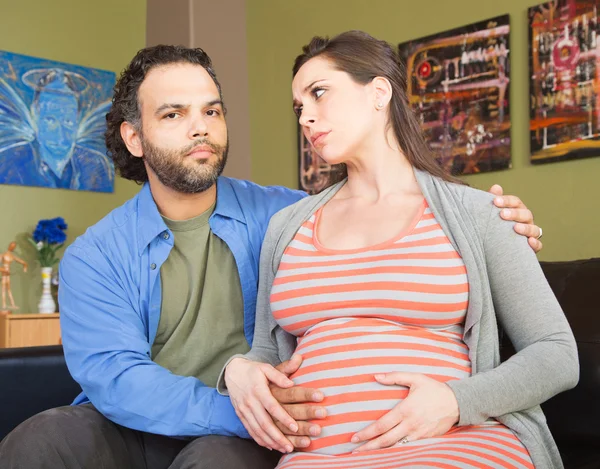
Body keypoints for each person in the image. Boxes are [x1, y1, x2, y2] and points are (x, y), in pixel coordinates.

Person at [0, 44, 543, 469]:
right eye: (173, 114)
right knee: (39, 439)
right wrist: (243, 409)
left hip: (238, 440)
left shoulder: (288, 217)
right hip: (145, 425)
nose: (200, 126)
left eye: (211, 109)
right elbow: (116, 378)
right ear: (134, 138)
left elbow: (376, 231)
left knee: (213, 461)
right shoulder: (94, 254)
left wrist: (497, 223)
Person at [222, 31, 578, 469]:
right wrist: (237, 372)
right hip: (320, 459)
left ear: (378, 92)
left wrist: (454, 400)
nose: (305, 117)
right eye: (299, 107)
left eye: (319, 94)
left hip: (454, 444)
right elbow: (268, 356)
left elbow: (557, 353)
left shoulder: (478, 213)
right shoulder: (286, 227)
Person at [0, 242, 28, 311]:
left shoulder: (12, 256)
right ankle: (4, 304)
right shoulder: (2, 255)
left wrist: (25, 266)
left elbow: (22, 262)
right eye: (11, 246)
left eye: (14, 247)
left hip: (8, 273)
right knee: (3, 288)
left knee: (9, 289)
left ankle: (12, 304)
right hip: (4, 273)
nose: (12, 247)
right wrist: (3, 270)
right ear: (9, 246)